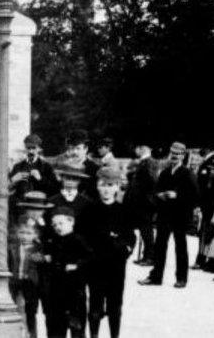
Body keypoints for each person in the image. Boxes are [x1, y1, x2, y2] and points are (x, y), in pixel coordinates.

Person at [84, 166, 135, 338]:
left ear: (117, 187)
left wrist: (125, 248)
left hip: (116, 265)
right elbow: (83, 236)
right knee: (95, 305)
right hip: (95, 265)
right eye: (103, 185)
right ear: (97, 186)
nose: (106, 189)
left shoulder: (123, 210)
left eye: (111, 185)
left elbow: (130, 237)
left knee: (115, 305)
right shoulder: (89, 210)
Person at [139, 141, 198, 288]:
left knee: (180, 247)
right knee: (160, 246)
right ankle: (156, 277)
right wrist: (160, 195)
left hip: (180, 215)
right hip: (164, 214)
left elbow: (195, 196)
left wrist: (177, 196)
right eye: (173, 153)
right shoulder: (165, 172)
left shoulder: (187, 173)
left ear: (183, 156)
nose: (175, 156)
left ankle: (181, 278)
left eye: (178, 154)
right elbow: (157, 190)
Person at [43, 206, 92, 338]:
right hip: (56, 291)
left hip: (74, 292)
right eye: (54, 225)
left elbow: (90, 259)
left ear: (71, 222)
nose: (57, 227)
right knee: (56, 328)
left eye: (61, 223)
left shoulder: (79, 240)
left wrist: (77, 266)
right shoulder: (52, 241)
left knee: (76, 327)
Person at [123, 142, 160, 266]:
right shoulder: (143, 162)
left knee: (146, 231)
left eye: (137, 148)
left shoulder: (149, 162)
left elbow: (152, 181)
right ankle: (146, 256)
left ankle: (150, 256)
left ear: (142, 149)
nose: (135, 150)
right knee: (144, 230)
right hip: (140, 202)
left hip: (144, 203)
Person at [9, 216, 45, 338]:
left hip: (30, 282)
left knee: (30, 311)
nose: (25, 236)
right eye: (22, 232)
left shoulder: (38, 248)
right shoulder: (13, 247)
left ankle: (31, 334)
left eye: (29, 233)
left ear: (36, 235)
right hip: (14, 281)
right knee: (13, 308)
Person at [10, 133, 60, 200]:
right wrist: (13, 180)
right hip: (21, 204)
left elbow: (55, 189)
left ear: (39, 149)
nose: (30, 151)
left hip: (39, 203)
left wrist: (40, 179)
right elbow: (6, 189)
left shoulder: (46, 167)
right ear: (25, 148)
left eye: (33, 148)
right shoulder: (18, 166)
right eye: (28, 148)